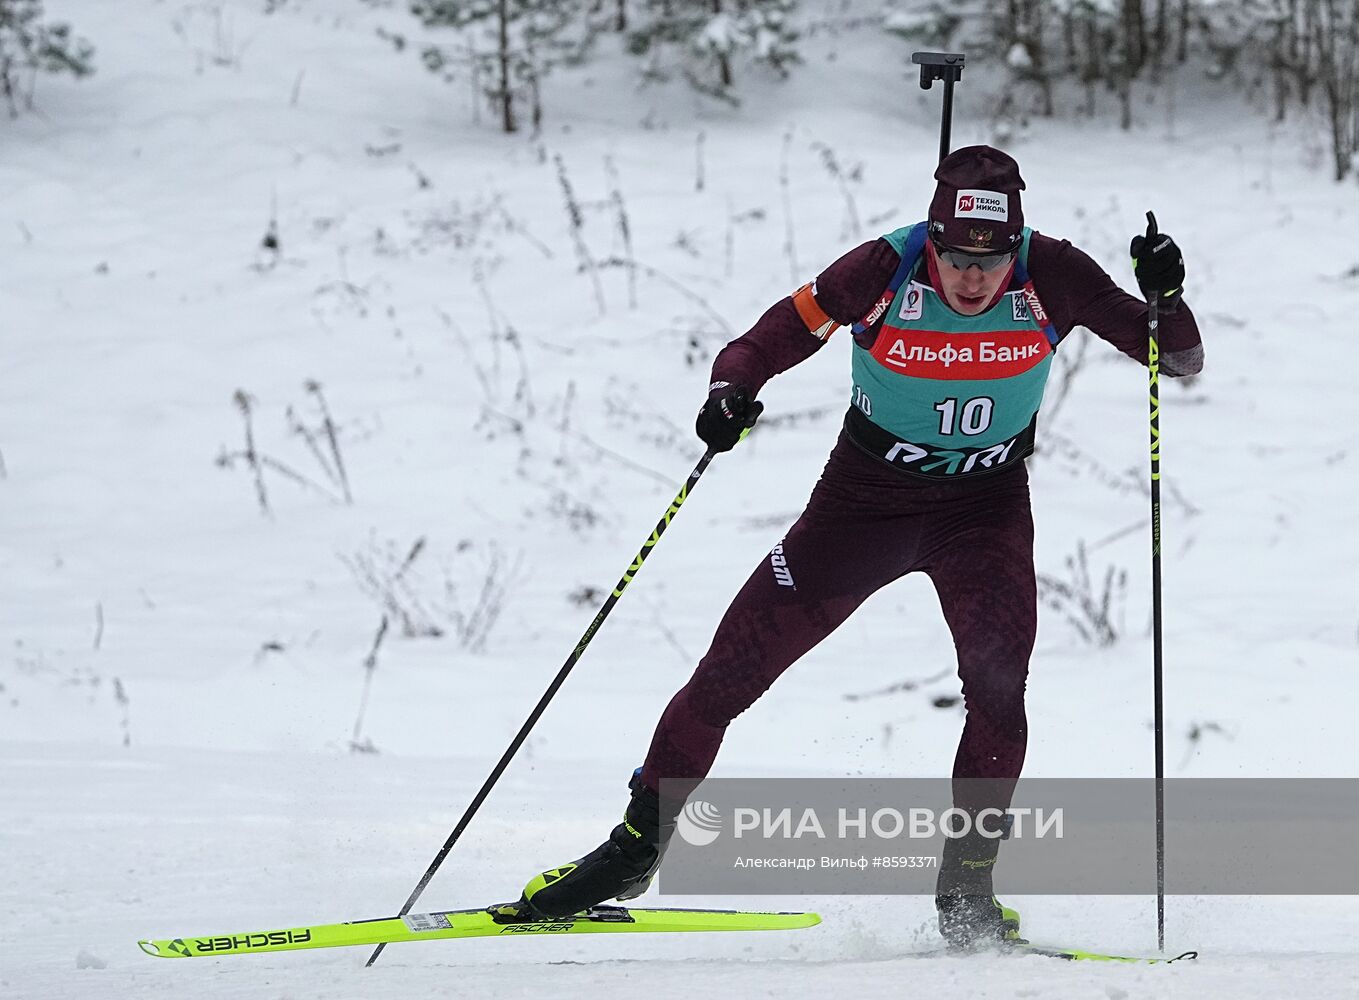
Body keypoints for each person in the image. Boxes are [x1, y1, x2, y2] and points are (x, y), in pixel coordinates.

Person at [511, 145, 1203, 947]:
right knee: (727, 676)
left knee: (999, 695)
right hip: (859, 506)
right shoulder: (880, 267)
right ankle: (632, 851)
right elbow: (766, 339)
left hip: (983, 511)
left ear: (1013, 245)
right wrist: (729, 392)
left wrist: (1167, 295)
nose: (971, 279)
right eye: (954, 259)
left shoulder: (1053, 273)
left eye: (990, 261)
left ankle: (965, 891)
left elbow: (1176, 358)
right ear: (933, 241)